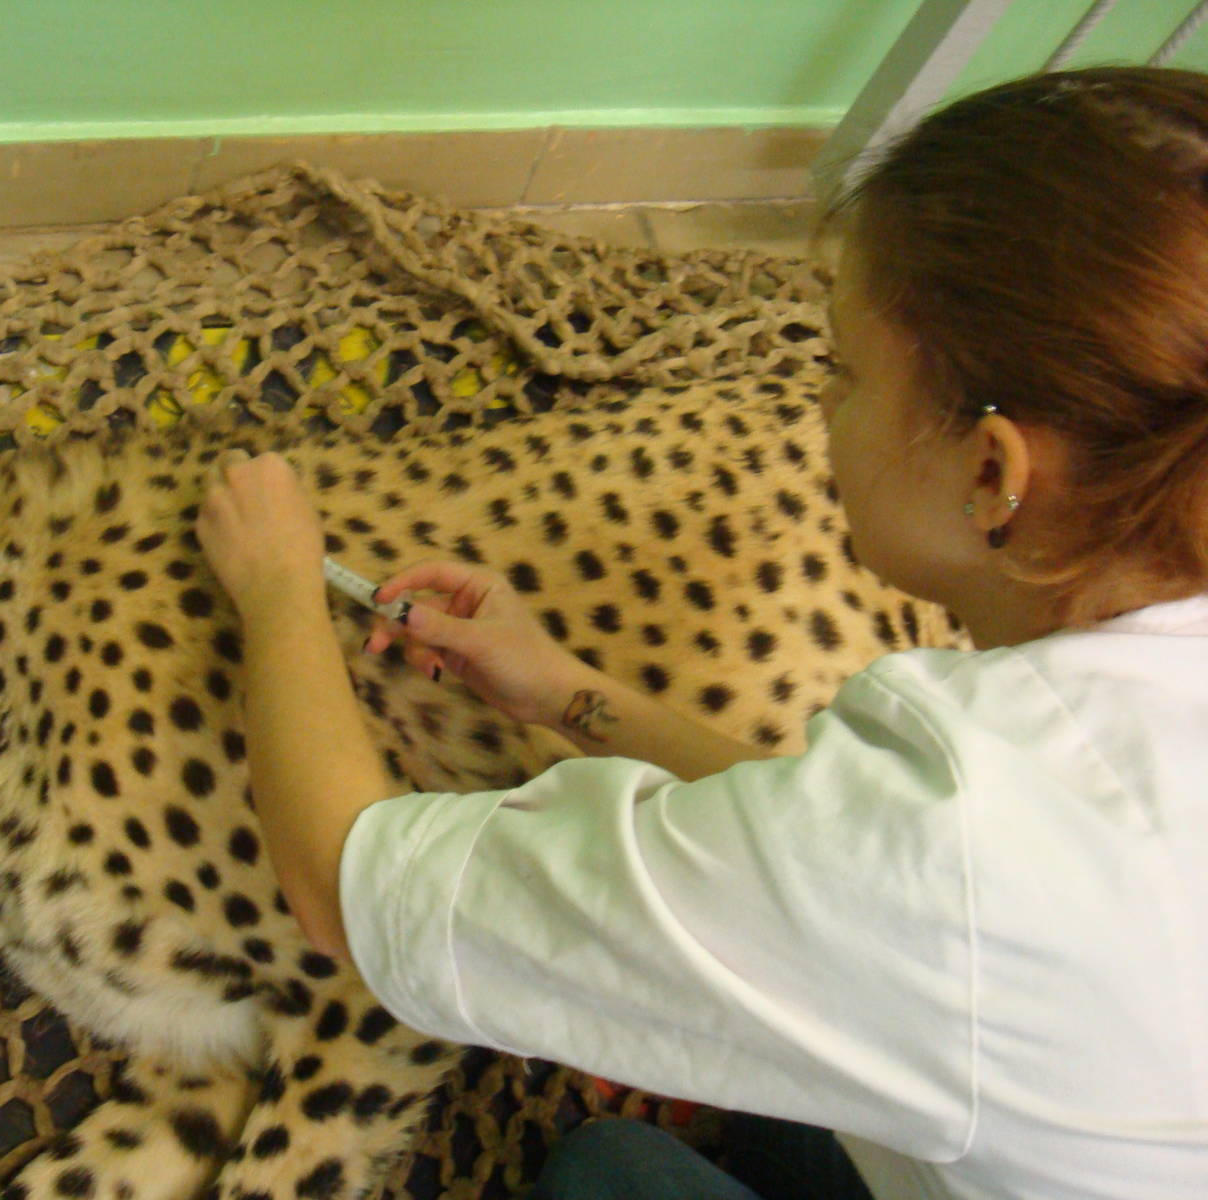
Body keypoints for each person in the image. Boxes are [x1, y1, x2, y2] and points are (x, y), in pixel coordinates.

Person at [194, 66, 1208, 1199]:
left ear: (991, 473)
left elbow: (343, 887)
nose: (815, 405)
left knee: (609, 1173)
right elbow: (860, 860)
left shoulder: (960, 846)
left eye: (844, 372)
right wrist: (568, 694)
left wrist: (278, 586)